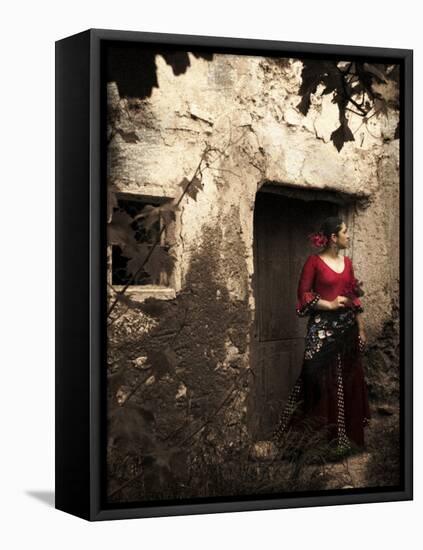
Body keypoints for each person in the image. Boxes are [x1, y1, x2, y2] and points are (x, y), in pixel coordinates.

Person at [272, 217, 371, 457]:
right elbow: (303, 295)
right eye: (345, 232)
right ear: (333, 238)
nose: (349, 235)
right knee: (315, 380)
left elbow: (354, 298)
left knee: (347, 379)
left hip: (347, 331)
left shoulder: (347, 263)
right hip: (321, 332)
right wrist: (329, 304)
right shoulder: (313, 263)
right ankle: (315, 445)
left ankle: (345, 443)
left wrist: (361, 328)